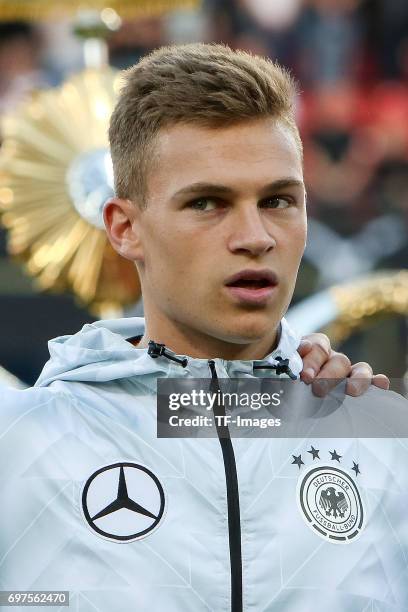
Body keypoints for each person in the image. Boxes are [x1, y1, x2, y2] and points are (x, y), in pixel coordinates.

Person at [0, 43, 406, 612]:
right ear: (124, 228)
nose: (255, 236)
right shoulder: (18, 446)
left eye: (279, 200)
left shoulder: (387, 439)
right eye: (209, 203)